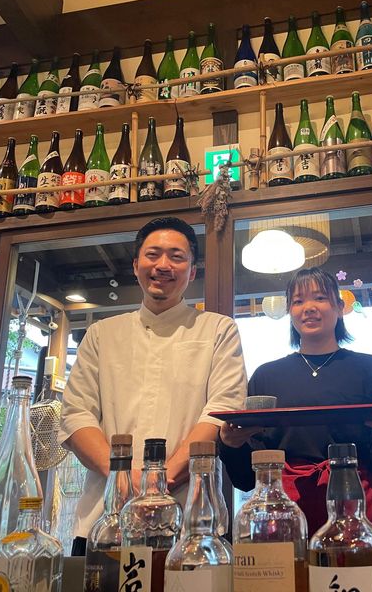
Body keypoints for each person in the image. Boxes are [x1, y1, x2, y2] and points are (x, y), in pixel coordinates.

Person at [219, 267, 372, 592]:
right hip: (282, 511)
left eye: (320, 298)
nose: (308, 307)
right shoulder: (266, 375)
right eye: (298, 301)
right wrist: (230, 443)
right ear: (290, 311)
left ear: (339, 307)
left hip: (357, 506)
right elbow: (246, 477)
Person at [60, 217, 247, 555]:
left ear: (192, 271)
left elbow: (221, 411)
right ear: (136, 265)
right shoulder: (102, 334)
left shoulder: (218, 329)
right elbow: (76, 416)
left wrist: (158, 484)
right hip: (104, 522)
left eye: (176, 257)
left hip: (193, 523)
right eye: (153, 254)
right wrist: (126, 480)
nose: (163, 265)